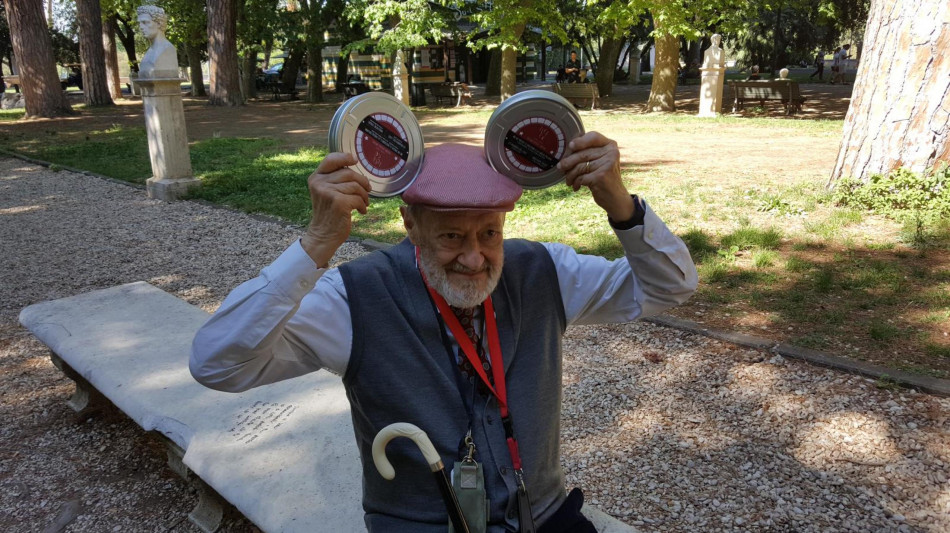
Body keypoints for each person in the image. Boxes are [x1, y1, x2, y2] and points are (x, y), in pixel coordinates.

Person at [191, 133, 698, 532]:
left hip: (542, 517)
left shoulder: (543, 271)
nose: (474, 258)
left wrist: (620, 204)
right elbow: (217, 364)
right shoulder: (354, 298)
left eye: (489, 233)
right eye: (452, 236)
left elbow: (670, 286)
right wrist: (318, 242)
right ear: (410, 224)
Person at [136, 5, 179, 78]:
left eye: (145, 22)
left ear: (159, 23)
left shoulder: (168, 49)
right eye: (139, 23)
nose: (141, 27)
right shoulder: (149, 52)